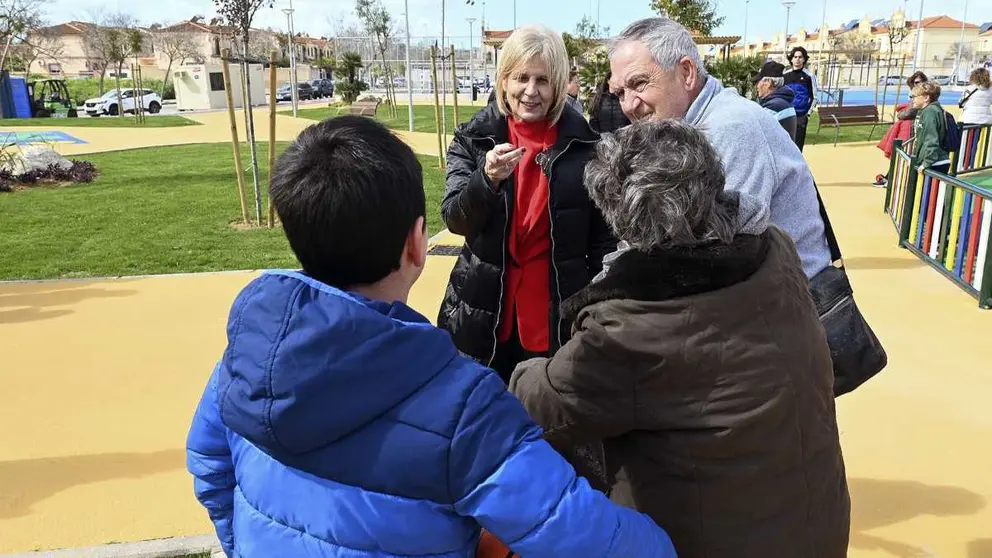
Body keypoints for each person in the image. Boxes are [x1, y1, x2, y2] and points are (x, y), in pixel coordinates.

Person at [185, 116, 675, 558]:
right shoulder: (463, 406)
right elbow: (583, 535)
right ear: (418, 243)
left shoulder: (249, 347)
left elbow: (209, 466)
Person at [510, 120, 851, 558]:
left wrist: (527, 365)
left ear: (621, 217)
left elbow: (540, 406)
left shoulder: (627, 330)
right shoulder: (771, 248)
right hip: (814, 521)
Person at [438, 24, 615, 381]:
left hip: (555, 317)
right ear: (503, 80)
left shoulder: (588, 148)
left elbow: (602, 244)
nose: (531, 91)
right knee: (480, 417)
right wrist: (485, 181)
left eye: (543, 80)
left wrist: (597, 311)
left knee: (544, 422)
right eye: (521, 78)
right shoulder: (473, 139)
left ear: (560, 84)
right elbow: (456, 219)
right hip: (482, 309)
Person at [608, 17, 831, 279]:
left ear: (686, 73)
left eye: (639, 84)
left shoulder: (730, 129)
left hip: (787, 305)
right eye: (620, 93)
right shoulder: (687, 128)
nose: (628, 105)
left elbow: (717, 255)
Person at [875, 72, 928, 186]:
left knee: (904, 152)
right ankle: (891, 176)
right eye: (914, 82)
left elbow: (911, 111)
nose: (916, 84)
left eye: (918, 82)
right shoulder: (915, 94)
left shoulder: (923, 96)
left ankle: (894, 178)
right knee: (901, 152)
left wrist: (901, 114)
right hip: (909, 127)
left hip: (912, 128)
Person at [911, 80, 951, 175]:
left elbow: (931, 139)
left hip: (935, 163)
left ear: (926, 98)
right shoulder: (927, 111)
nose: (912, 99)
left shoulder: (930, 112)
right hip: (934, 162)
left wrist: (926, 163)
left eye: (914, 97)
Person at [783, 46, 818, 151]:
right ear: (791, 59)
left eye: (800, 57)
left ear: (804, 59)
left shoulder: (809, 76)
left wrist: (807, 114)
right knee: (785, 145)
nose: (797, 59)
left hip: (800, 117)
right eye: (795, 57)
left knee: (797, 148)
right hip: (787, 115)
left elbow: (814, 97)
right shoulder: (785, 76)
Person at [752, 60, 797, 141]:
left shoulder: (774, 106)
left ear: (768, 82)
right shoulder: (784, 102)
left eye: (758, 82)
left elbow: (754, 134)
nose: (757, 86)